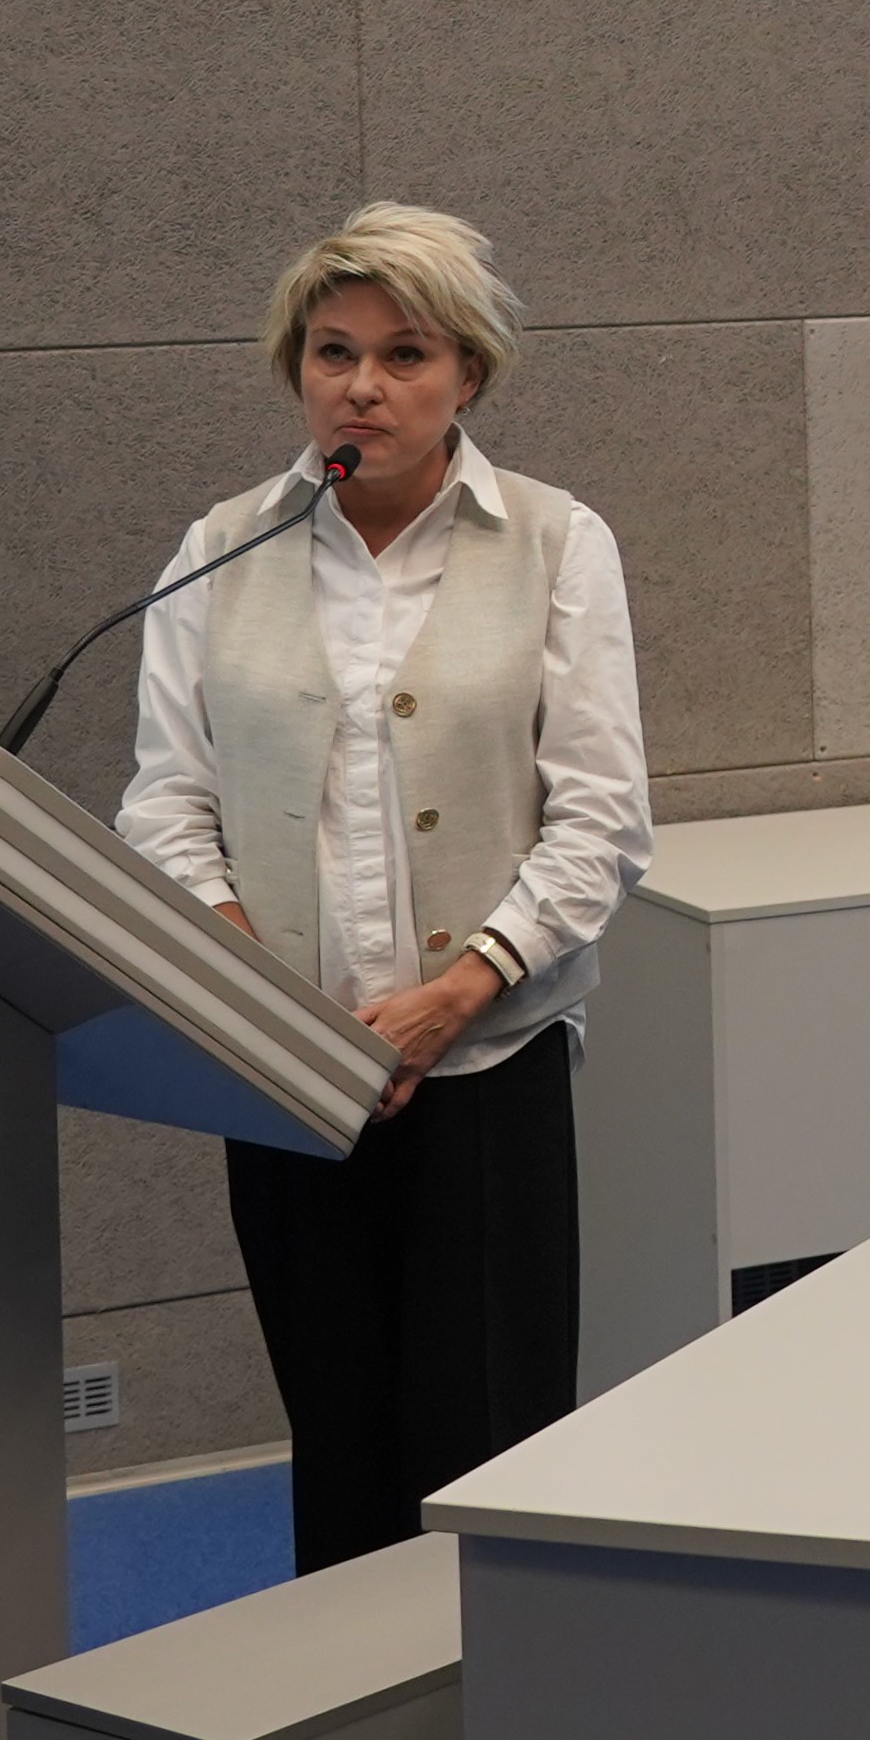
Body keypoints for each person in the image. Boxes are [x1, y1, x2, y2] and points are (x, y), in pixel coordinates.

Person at [119, 203, 651, 1566]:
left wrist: (453, 994)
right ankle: (351, 1701)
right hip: (283, 1072)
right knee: (339, 1442)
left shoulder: (556, 542)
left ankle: (502, 1694)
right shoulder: (220, 546)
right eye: (333, 351)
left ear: (469, 372)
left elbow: (600, 819)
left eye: (405, 353)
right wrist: (254, 981)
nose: (362, 384)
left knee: (489, 1443)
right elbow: (166, 800)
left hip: (484, 1067)